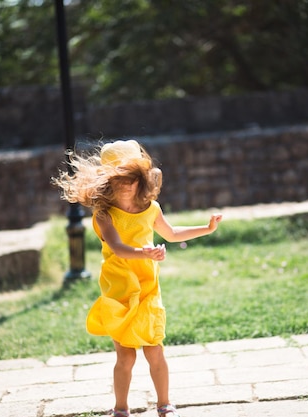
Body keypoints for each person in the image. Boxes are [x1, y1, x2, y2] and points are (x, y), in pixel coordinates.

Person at [53, 140, 223, 417]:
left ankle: (165, 404)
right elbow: (118, 248)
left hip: (147, 287)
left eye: (132, 179)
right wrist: (144, 253)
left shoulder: (151, 208)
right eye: (119, 179)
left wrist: (206, 228)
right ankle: (120, 408)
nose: (127, 185)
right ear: (106, 183)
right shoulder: (104, 214)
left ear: (142, 179)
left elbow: (172, 234)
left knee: (154, 350)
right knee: (126, 356)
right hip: (119, 286)